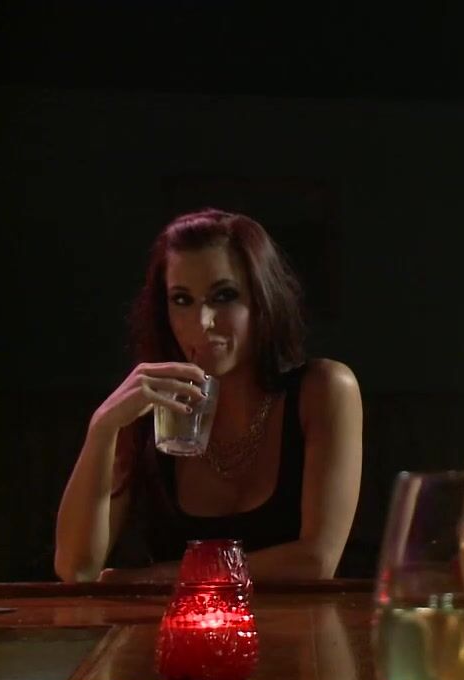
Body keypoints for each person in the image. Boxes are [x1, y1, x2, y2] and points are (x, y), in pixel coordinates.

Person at [54, 209, 363, 582]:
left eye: (224, 296)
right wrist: (102, 428)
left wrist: (152, 579)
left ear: (262, 299)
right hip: (176, 621)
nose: (202, 322)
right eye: (182, 300)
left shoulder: (323, 389)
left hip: (295, 623)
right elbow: (76, 569)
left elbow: (315, 562)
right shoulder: (152, 408)